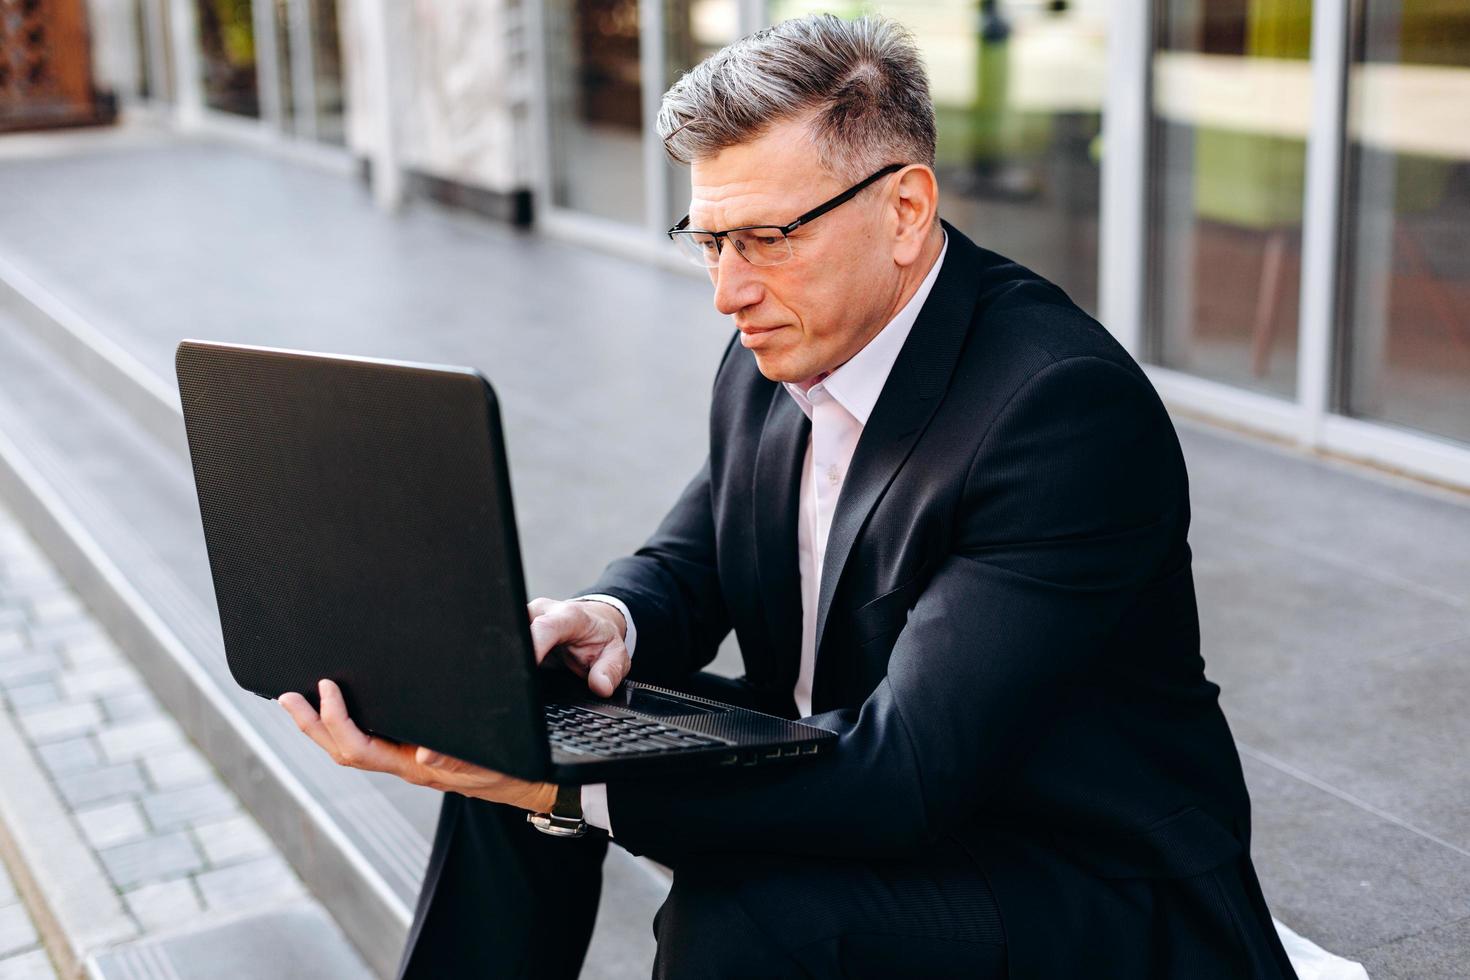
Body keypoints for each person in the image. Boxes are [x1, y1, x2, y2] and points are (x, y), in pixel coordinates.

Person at [281, 14, 1298, 979]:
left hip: (1070, 870)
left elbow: (907, 774)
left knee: (741, 917)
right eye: (711, 240)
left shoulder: (1060, 412)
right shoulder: (786, 340)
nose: (728, 291)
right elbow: (695, 555)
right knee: (517, 727)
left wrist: (570, 788)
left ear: (904, 210)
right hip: (853, 757)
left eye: (767, 237)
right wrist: (606, 618)